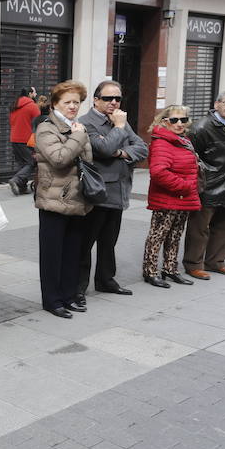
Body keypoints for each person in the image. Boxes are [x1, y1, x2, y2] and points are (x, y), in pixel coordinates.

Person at [77, 81, 148, 299]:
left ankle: (106, 280)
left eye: (117, 98)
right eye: (108, 98)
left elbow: (142, 148)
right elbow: (103, 148)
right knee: (85, 243)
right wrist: (118, 130)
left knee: (109, 242)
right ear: (96, 100)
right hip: (97, 193)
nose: (114, 102)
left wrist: (119, 153)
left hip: (119, 192)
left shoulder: (120, 120)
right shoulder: (86, 122)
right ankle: (78, 287)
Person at [34, 80, 93, 319]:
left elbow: (87, 160)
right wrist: (78, 137)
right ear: (55, 103)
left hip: (78, 199)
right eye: (67, 102)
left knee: (72, 252)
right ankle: (52, 300)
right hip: (54, 199)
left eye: (76, 102)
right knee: (52, 255)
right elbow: (59, 159)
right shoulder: (46, 128)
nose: (72, 106)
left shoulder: (77, 127)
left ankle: (69, 296)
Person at [142, 107, 200, 287]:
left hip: (182, 197)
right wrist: (184, 186)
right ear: (164, 121)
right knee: (158, 236)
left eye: (183, 119)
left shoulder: (182, 140)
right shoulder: (162, 142)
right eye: (174, 120)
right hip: (167, 198)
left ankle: (170, 269)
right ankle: (150, 272)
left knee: (175, 235)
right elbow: (158, 172)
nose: (180, 123)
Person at [183, 88, 225, 279]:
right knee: (199, 229)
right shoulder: (201, 127)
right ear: (216, 105)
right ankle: (193, 264)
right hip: (208, 185)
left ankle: (216, 261)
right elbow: (190, 157)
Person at [8, 87, 40, 195]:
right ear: (30, 94)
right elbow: (39, 123)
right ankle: (16, 180)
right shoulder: (33, 106)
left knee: (22, 164)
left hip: (14, 138)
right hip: (26, 139)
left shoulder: (14, 106)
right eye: (35, 92)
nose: (36, 94)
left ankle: (21, 188)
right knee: (31, 162)